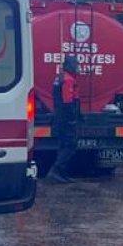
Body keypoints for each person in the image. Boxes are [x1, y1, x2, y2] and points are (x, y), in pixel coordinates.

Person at [48, 55, 82, 183]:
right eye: (76, 65)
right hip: (66, 119)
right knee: (70, 145)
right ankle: (56, 170)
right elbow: (67, 102)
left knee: (63, 145)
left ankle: (61, 174)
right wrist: (72, 118)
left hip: (59, 117)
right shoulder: (68, 80)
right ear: (70, 65)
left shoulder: (60, 77)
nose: (78, 67)